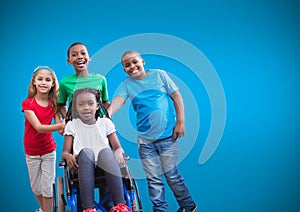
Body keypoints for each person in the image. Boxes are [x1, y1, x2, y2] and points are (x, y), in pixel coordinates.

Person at [108, 50, 197, 212]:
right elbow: (118, 102)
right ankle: (160, 210)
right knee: (154, 180)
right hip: (145, 141)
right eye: (127, 65)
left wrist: (181, 121)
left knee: (172, 176)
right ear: (124, 69)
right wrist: (107, 114)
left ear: (143, 62)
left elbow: (177, 96)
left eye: (135, 62)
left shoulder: (159, 75)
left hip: (168, 137)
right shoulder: (127, 84)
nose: (132, 66)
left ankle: (188, 205)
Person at [58, 41, 113, 209]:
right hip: (78, 133)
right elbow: (60, 104)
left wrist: (106, 121)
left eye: (83, 53)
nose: (79, 57)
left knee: (105, 167)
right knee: (81, 168)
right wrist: (67, 122)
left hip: (99, 130)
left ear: (89, 57)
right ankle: (84, 206)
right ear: (69, 61)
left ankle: (110, 204)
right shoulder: (65, 82)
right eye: (74, 55)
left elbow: (105, 103)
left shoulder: (100, 79)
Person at [62, 88, 131, 212]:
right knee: (87, 152)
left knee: (105, 151)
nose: (86, 107)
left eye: (90, 103)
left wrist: (118, 151)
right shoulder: (72, 125)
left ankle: (120, 206)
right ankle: (89, 208)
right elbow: (65, 152)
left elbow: (117, 147)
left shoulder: (105, 123)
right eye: (81, 104)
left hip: (105, 167)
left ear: (97, 106)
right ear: (76, 108)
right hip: (82, 167)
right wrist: (68, 156)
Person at [22, 66, 65, 212]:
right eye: (40, 79)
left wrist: (66, 126)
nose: (43, 83)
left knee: (47, 187)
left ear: (53, 83)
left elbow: (60, 129)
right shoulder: (28, 104)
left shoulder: (54, 105)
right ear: (34, 82)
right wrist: (60, 125)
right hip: (32, 152)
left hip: (48, 151)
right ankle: (44, 209)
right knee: (36, 187)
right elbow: (39, 127)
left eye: (48, 80)